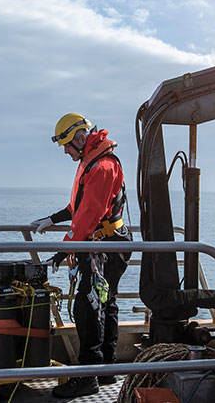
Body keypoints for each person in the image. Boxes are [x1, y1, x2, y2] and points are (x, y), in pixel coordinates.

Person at [31, 113, 131, 398]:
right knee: (105, 302)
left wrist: (61, 252)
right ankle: (106, 369)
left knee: (87, 308)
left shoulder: (102, 167)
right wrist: (53, 218)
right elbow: (79, 206)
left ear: (79, 139)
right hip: (108, 244)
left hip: (104, 248)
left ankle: (88, 377)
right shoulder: (95, 161)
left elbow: (87, 218)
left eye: (66, 145)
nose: (65, 151)